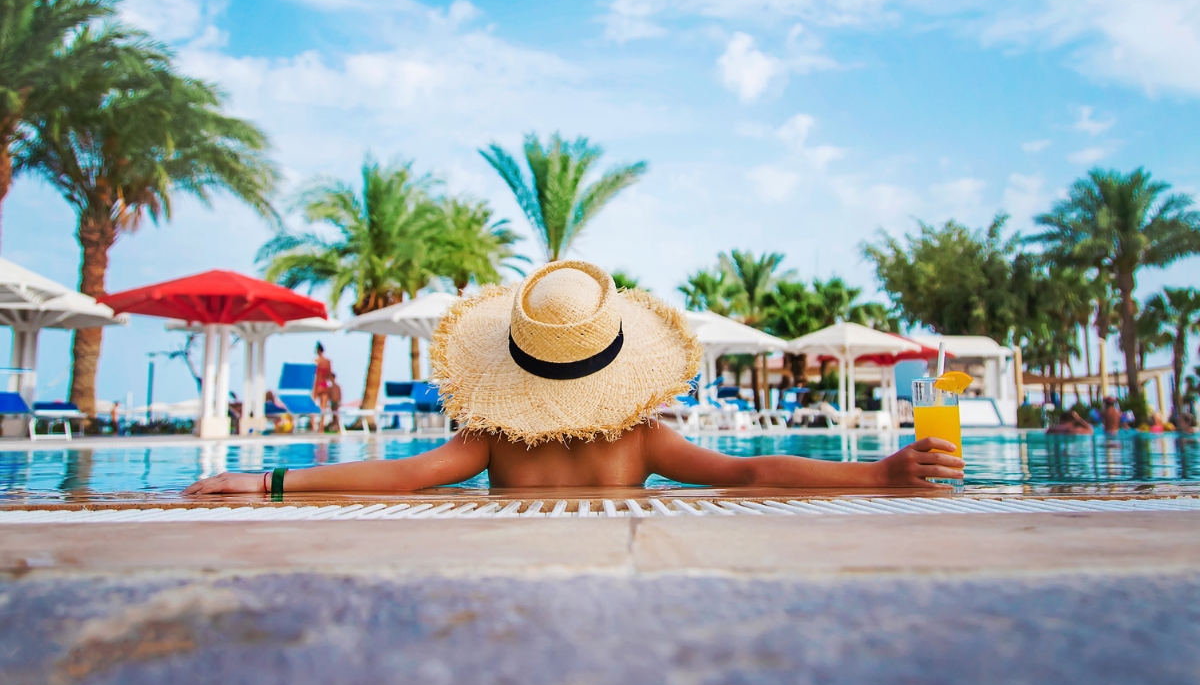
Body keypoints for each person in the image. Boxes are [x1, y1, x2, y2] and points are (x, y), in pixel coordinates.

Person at [186, 261, 963, 496]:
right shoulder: (642, 440)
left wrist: (269, 483)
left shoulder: (490, 439)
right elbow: (751, 470)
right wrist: (879, 472)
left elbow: (401, 474)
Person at [312, 342, 334, 432]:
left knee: (312, 407)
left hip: (317, 384)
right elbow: (329, 374)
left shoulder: (316, 361)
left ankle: (313, 427)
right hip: (324, 384)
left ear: (317, 351)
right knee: (323, 407)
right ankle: (321, 428)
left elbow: (313, 374)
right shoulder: (328, 361)